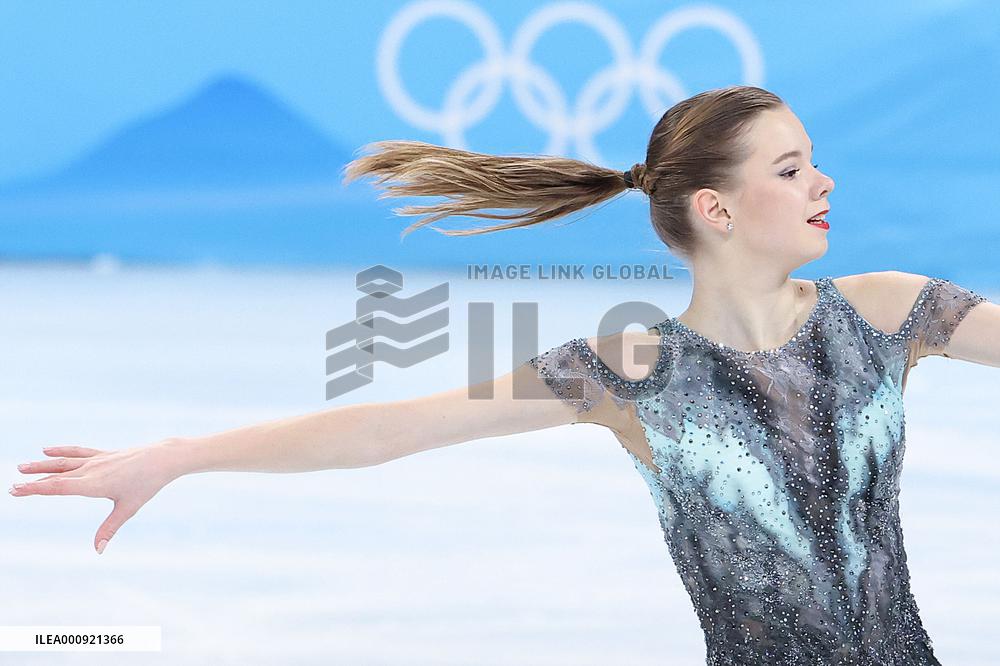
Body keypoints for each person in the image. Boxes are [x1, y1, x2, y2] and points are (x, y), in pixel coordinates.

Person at [10, 85, 999, 664]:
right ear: (716, 209)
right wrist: (181, 455)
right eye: (788, 170)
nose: (821, 181)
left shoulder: (886, 310)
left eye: (812, 161)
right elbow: (388, 428)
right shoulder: (630, 371)